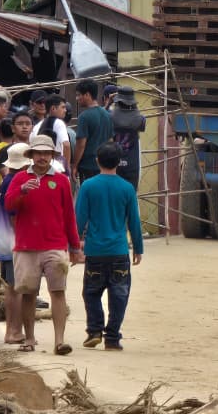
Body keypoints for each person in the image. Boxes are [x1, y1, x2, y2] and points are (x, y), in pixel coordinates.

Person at [5, 133, 84, 355]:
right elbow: (9, 205)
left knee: (58, 292)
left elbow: (69, 216)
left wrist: (75, 247)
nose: (42, 157)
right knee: (28, 293)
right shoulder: (19, 179)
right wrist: (22, 191)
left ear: (52, 155)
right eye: (38, 153)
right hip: (26, 246)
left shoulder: (61, 181)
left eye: (46, 153)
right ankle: (29, 338)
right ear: (31, 155)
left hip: (55, 246)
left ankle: (60, 341)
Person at [75, 142, 143, 350]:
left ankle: (94, 330)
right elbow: (134, 221)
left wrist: (75, 243)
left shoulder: (88, 186)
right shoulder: (127, 188)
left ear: (97, 161)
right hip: (119, 251)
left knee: (92, 293)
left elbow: (79, 218)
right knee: (119, 295)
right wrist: (138, 248)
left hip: (94, 251)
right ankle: (112, 337)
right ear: (119, 163)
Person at [0, 142, 31, 344]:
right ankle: (14, 331)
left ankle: (12, 329)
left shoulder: (5, 180)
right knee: (17, 289)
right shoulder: (15, 182)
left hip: (3, 240)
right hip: (14, 241)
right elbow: (14, 216)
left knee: (11, 288)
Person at [72, 81, 113, 184]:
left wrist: (74, 165)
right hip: (105, 165)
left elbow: (81, 144)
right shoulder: (108, 115)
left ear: (87, 95)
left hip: (88, 166)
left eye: (78, 95)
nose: (77, 99)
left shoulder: (84, 117)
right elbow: (110, 141)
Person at [108, 87, 146, 189]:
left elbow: (102, 114)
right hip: (132, 164)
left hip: (113, 163)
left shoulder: (110, 117)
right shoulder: (139, 120)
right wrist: (133, 106)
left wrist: (108, 103)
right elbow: (140, 120)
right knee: (131, 194)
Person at [35, 95, 72, 179]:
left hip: (39, 167)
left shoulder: (37, 126)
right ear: (53, 109)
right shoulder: (59, 123)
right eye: (63, 107)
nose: (65, 110)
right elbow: (66, 145)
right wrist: (66, 167)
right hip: (56, 166)